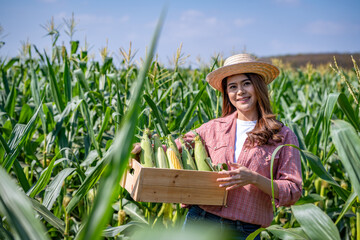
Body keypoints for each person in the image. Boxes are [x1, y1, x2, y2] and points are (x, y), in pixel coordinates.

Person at [132, 54, 302, 240]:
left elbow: (293, 190)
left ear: (258, 86)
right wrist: (141, 146)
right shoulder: (212, 128)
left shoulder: (283, 136)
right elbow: (171, 149)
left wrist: (253, 178)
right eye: (232, 87)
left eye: (246, 83)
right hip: (201, 222)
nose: (240, 91)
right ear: (227, 94)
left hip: (244, 231)